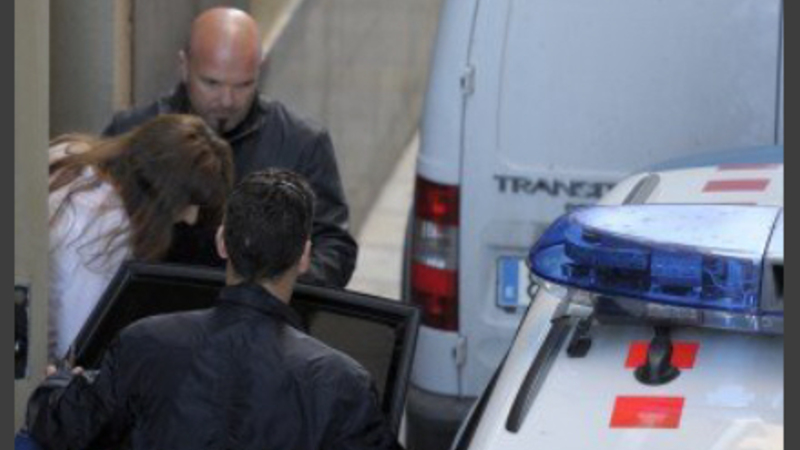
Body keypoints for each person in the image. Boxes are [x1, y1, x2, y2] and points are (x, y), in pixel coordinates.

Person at [27, 169, 401, 450]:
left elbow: (65, 428)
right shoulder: (341, 383)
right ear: (304, 256)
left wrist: (58, 385)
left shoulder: (145, 344)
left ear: (222, 242)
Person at [103, 7, 358, 288]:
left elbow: (334, 248)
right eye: (211, 83)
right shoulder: (132, 132)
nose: (227, 100)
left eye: (243, 85)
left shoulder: (303, 144)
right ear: (184, 66)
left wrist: (277, 287)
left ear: (260, 71)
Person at [48, 114, 233, 362]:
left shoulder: (72, 154)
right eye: (186, 202)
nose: (191, 218)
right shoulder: (106, 230)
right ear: (163, 195)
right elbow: (75, 350)